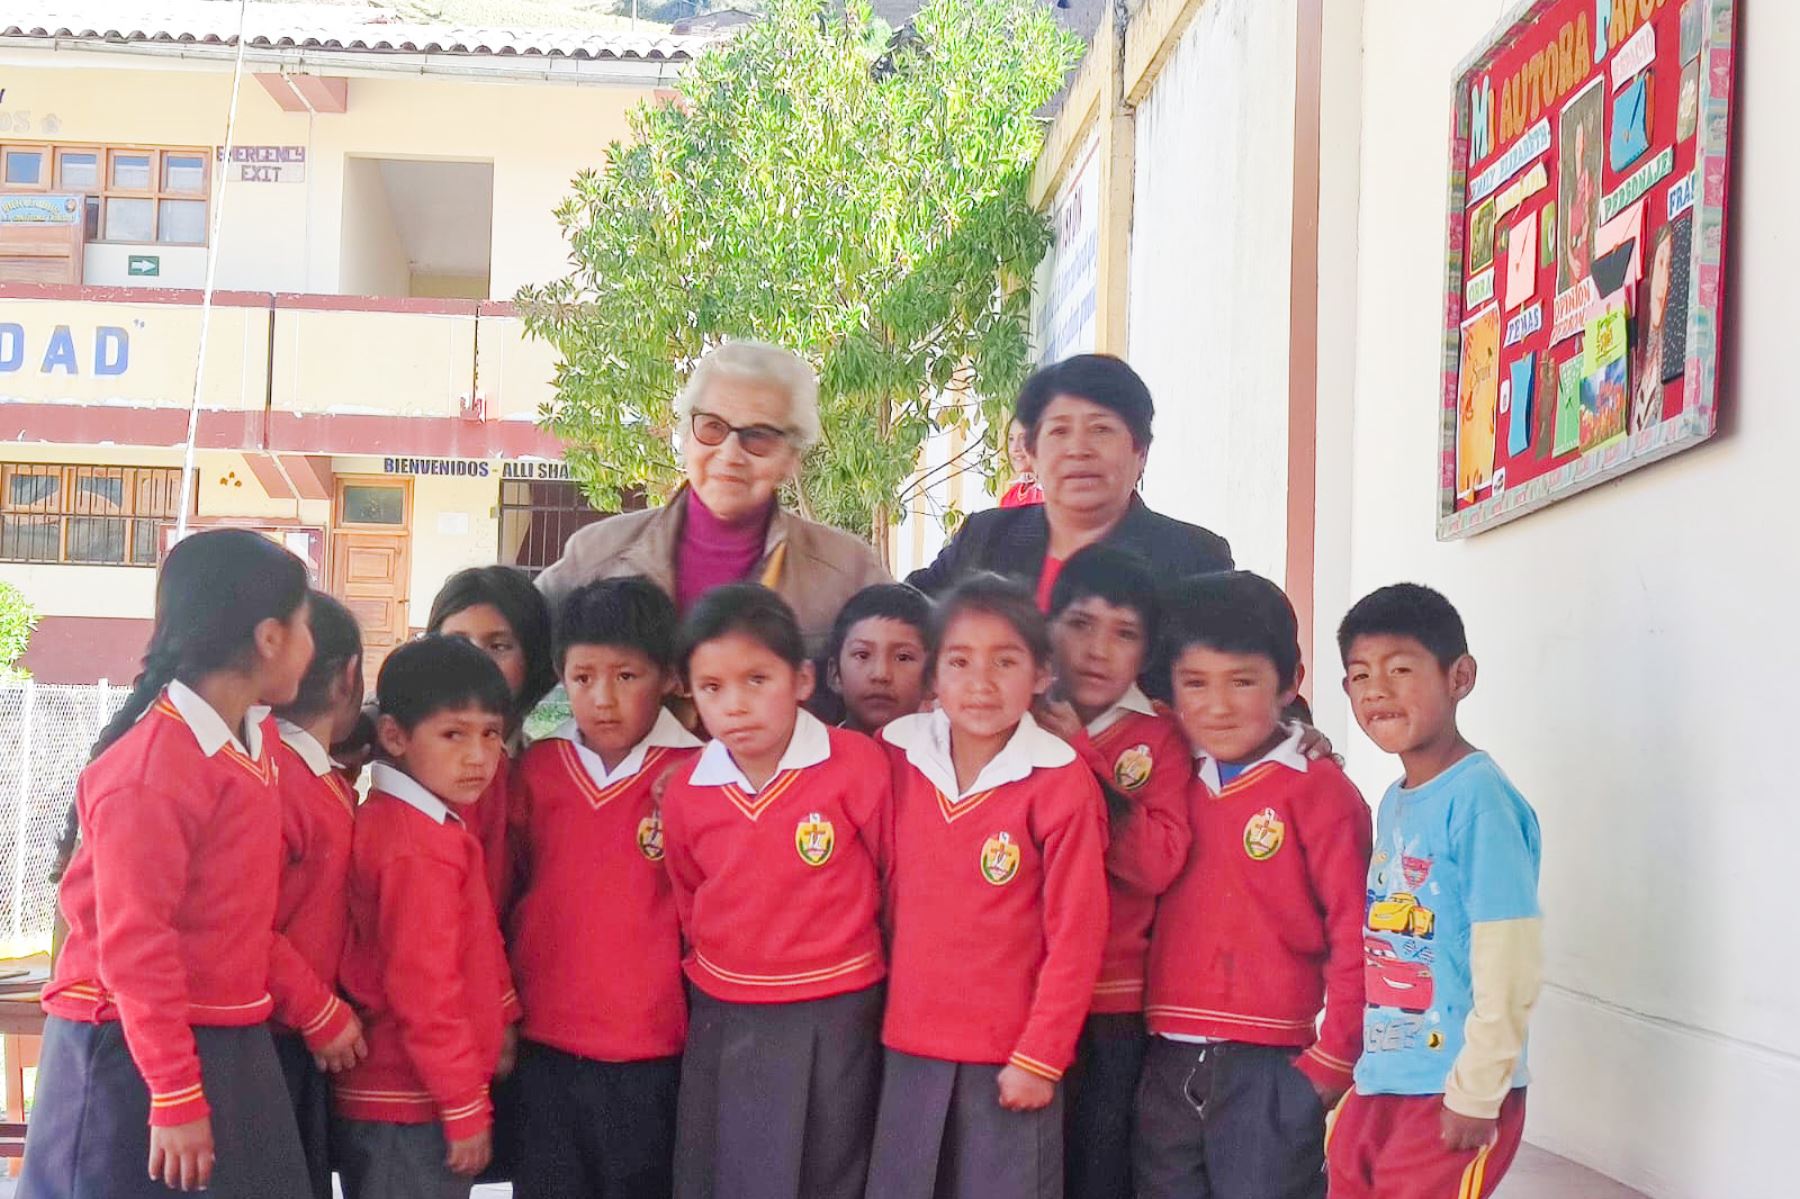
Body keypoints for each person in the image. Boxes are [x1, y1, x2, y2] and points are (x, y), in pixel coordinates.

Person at [25, 529, 316, 1199]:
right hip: (133, 1052)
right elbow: (135, 941)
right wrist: (176, 1091)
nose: (312, 643)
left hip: (223, 1038)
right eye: (304, 624)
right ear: (269, 636)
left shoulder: (251, 742)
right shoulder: (153, 768)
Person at [866, 574, 1108, 1199]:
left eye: (1005, 661)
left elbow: (1076, 933)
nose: (981, 683)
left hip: (1011, 1055)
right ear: (934, 677)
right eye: (960, 661)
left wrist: (1041, 1054)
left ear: (1041, 674)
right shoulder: (893, 755)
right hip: (906, 1043)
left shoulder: (1058, 779)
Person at [1135, 572, 1370, 1199]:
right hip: (1164, 1057)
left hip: (1271, 1065)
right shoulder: (1164, 771)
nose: (1217, 705)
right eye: (1195, 683)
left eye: (1242, 681)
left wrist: (1332, 1061)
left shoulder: (1321, 792)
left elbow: (1358, 933)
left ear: (1290, 681)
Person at [661, 585, 890, 1199]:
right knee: (724, 1164)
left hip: (837, 1007)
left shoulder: (857, 764)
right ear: (689, 693)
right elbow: (688, 892)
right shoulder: (686, 790)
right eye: (712, 688)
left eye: (757, 679)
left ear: (804, 679)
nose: (735, 706)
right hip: (725, 1009)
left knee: (828, 1164)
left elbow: (891, 876)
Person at [1328, 585, 1543, 1199]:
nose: (1377, 691)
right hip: (1386, 1075)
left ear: (1460, 677)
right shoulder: (1396, 801)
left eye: (1400, 670)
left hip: (1453, 1084)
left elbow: (1510, 955)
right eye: (1360, 676)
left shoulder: (1479, 798)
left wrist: (1479, 1088)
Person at [506, 578, 703, 1199]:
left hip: (653, 1052)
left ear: (671, 677)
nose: (602, 699)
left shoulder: (701, 774)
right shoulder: (535, 771)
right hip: (544, 1042)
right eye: (583, 676)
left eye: (626, 676)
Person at [536, 340, 891, 656]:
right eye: (712, 427)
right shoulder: (597, 556)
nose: (730, 453)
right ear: (686, 438)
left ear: (791, 459)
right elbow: (502, 659)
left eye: (758, 437)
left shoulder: (848, 572)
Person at [333, 637, 523, 1199]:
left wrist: (502, 1009)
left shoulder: (431, 826)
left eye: (491, 733)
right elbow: (423, 987)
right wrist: (464, 1104)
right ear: (394, 736)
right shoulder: (413, 847)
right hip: (406, 1101)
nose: (478, 756)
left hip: (417, 1094)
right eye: (453, 734)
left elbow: (473, 940)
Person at [1032, 546, 1191, 1199]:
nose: (1099, 648)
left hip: (1113, 1007)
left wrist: (1079, 752)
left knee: (1101, 1171)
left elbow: (1155, 861)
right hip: (1019, 997)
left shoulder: (1160, 737)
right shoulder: (1007, 719)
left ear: (1147, 648)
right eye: (1080, 623)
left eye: (1123, 633)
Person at [907, 355, 1232, 611]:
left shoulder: (1194, 559)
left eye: (1101, 429)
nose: (1079, 449)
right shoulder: (985, 540)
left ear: (1141, 451)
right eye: (1059, 431)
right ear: (1032, 452)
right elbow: (904, 622)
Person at [269, 591, 371, 1199]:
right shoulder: (282, 778)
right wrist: (319, 1008)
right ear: (350, 675)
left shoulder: (305, 774)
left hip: (292, 1038)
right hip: (281, 1036)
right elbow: (243, 921)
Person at [427, 565, 558, 914]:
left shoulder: (548, 768)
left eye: (498, 645)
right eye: (456, 643)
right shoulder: (412, 761)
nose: (473, 660)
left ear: (533, 658)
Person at [818, 582, 933, 734]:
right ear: (835, 674)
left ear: (932, 678)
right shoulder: (806, 756)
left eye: (903, 657)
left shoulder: (945, 757)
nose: (881, 674)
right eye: (863, 655)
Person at [998, 417, 1044, 509]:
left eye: (1023, 438)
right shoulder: (1009, 498)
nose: (1014, 448)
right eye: (1011, 439)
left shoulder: (1055, 496)